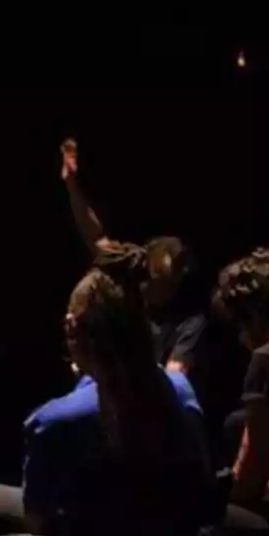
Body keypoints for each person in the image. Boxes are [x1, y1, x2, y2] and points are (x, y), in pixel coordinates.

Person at [0, 247, 213, 536]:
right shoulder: (180, 389)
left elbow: (37, 519)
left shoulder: (55, 420)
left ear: (72, 328)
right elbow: (198, 485)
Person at [59, 138, 204, 373]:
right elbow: (94, 234)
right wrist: (71, 185)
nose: (153, 289)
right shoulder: (132, 265)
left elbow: (175, 377)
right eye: (153, 280)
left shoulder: (189, 324)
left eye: (166, 285)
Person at [216, 249, 269, 521]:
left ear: (255, 314)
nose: (240, 338)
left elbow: (249, 483)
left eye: (238, 325)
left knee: (222, 515)